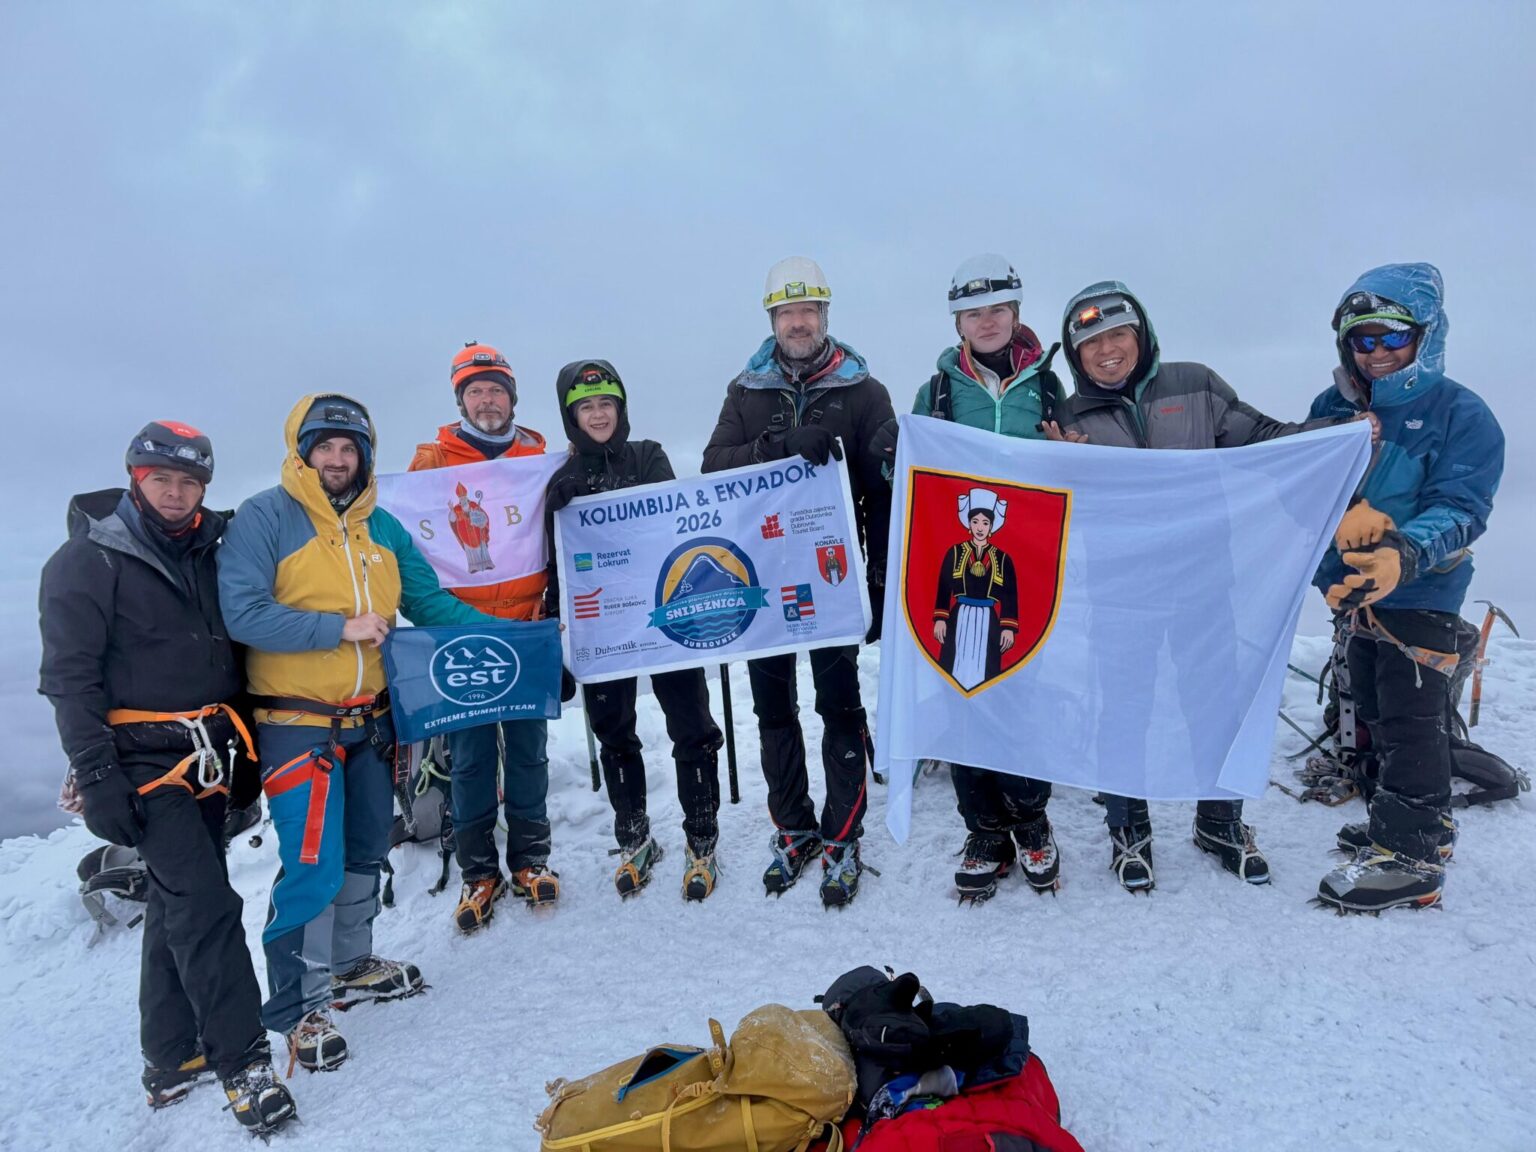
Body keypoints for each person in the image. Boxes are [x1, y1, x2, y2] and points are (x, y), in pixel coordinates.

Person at [218, 394, 490, 1071]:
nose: (337, 459)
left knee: (367, 849)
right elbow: (243, 613)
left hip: (372, 721)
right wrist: (338, 628)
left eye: (349, 448)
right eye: (325, 447)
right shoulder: (265, 517)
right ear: (303, 451)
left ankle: (348, 964)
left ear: (364, 457)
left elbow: (427, 602)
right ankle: (297, 1006)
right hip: (297, 724)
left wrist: (518, 639)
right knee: (314, 864)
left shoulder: (381, 527)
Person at [39, 421, 296, 1135]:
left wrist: (248, 755)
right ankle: (244, 1062)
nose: (176, 493)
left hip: (212, 750)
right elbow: (69, 677)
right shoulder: (87, 560)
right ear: (135, 478)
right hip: (140, 761)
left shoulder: (215, 546)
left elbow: (235, 643)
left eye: (189, 481)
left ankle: (172, 1054)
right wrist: (97, 775)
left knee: (177, 898)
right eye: (162, 480)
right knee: (206, 904)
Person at [1053, 281, 1340, 892]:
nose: (1106, 350)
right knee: (1124, 708)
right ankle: (1128, 829)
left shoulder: (1195, 385)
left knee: (1215, 701)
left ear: (1142, 335)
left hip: (1203, 582)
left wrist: (1338, 434)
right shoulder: (1068, 417)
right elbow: (1048, 500)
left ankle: (1219, 821)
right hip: (1121, 590)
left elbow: (1265, 438)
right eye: (1090, 343)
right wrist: (1057, 464)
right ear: (1075, 356)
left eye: (1117, 335)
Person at [702, 256, 894, 907]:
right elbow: (714, 465)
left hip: (832, 579)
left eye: (808, 310)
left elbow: (883, 494)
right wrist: (776, 446)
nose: (799, 323)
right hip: (762, 581)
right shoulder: (746, 391)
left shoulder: (864, 391)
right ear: (772, 320)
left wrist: (877, 581)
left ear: (825, 315)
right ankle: (794, 829)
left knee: (839, 706)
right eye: (787, 313)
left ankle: (843, 836)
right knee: (773, 710)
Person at [1312, 264, 1503, 913]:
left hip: (1424, 594)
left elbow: (1462, 506)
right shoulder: (1332, 408)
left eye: (1392, 336)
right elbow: (1306, 493)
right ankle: (1421, 821)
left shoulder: (1461, 413)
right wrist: (1333, 574)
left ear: (1425, 334)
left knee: (1410, 717)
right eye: (1362, 339)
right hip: (1355, 598)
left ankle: (1411, 856)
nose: (1377, 352)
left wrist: (1404, 553)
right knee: (1371, 706)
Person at [907, 255, 1068, 902]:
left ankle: (1031, 822)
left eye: (998, 309)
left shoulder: (1048, 387)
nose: (987, 321)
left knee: (1021, 697)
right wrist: (894, 457)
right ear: (958, 323)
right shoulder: (938, 394)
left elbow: (1073, 473)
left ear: (1016, 313)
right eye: (974, 313)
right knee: (964, 700)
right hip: (959, 580)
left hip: (1026, 573)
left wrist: (1072, 457)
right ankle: (984, 830)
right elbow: (911, 480)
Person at [543, 360, 726, 900]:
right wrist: (557, 508)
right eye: (586, 407)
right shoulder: (558, 477)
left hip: (667, 614)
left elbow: (664, 519)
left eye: (607, 404)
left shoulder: (648, 455)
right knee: (613, 730)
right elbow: (553, 564)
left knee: (691, 724)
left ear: (621, 409)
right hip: (602, 626)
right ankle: (634, 837)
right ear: (571, 417)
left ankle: (702, 838)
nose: (598, 415)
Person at [409, 342, 558, 931]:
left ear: (512, 398)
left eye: (496, 390)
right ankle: (477, 871)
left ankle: (530, 859)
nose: (487, 401)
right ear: (461, 401)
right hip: (460, 630)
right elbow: (411, 536)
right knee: (470, 757)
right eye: (476, 392)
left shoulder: (537, 455)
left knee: (528, 750)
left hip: (526, 625)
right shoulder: (432, 460)